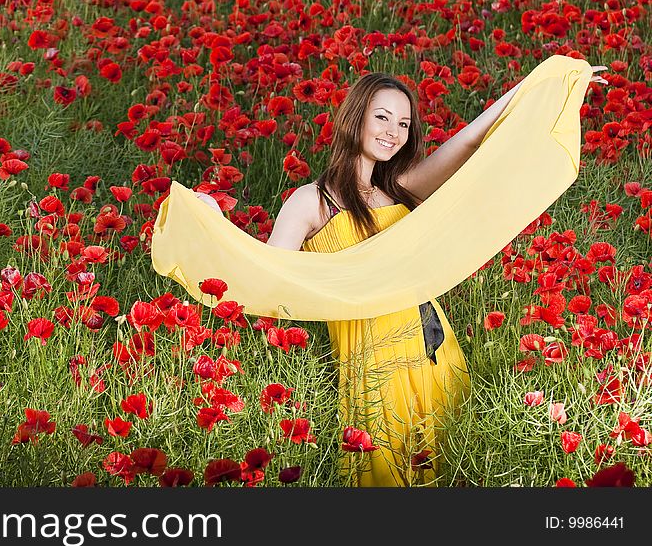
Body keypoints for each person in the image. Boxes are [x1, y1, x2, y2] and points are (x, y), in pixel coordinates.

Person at [194, 66, 608, 486]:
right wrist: (215, 225)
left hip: (434, 348)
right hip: (373, 357)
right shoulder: (310, 203)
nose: (394, 131)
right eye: (382, 117)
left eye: (404, 123)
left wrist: (549, 81)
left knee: (450, 467)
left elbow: (470, 138)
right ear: (354, 118)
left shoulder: (402, 187)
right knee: (387, 474)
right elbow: (265, 275)